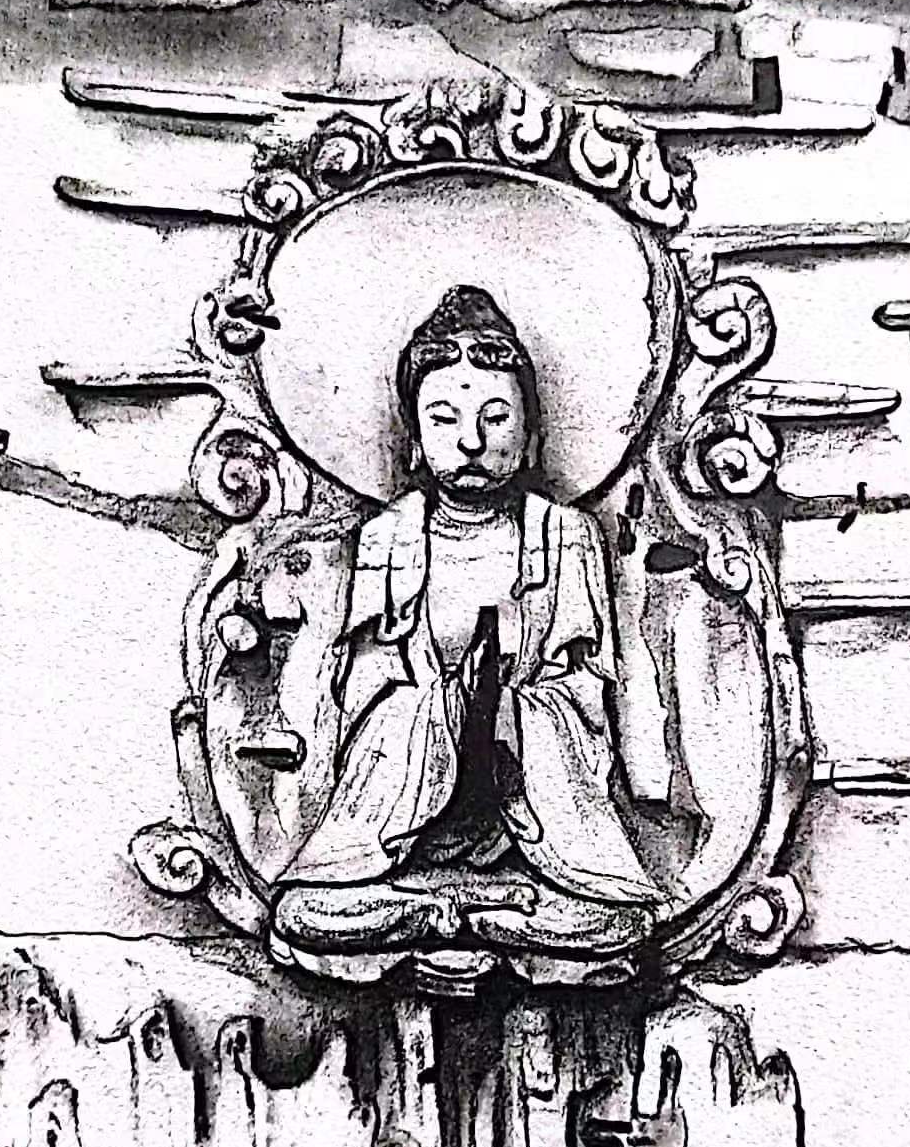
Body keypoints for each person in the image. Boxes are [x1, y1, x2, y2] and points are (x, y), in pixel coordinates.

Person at [269, 285, 661, 967]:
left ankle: (485, 909)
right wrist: (440, 712)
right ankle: (433, 907)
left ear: (531, 436)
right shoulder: (388, 537)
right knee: (306, 911)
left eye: (496, 418)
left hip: (533, 812)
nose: (471, 441)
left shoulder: (566, 535)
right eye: (444, 419)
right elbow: (361, 693)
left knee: (616, 919)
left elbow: (585, 694)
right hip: (402, 814)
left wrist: (507, 710)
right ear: (415, 444)